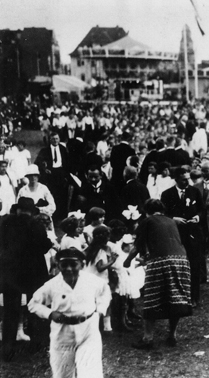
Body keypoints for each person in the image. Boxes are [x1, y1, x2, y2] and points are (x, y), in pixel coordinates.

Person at [27, 248, 112, 378]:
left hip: (88, 329)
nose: (68, 269)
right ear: (58, 265)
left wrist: (100, 311)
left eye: (73, 264)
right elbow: (33, 304)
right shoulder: (52, 284)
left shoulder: (92, 281)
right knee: (62, 374)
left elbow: (105, 292)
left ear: (82, 265)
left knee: (91, 372)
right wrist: (50, 313)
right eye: (64, 264)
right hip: (62, 333)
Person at [124, 199, 192, 349]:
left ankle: (148, 338)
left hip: (161, 261)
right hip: (181, 260)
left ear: (146, 210)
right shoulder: (171, 221)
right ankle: (172, 335)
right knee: (175, 297)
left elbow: (137, 246)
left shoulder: (147, 221)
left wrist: (127, 261)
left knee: (152, 297)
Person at [0, 197, 53, 362]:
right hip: (32, 272)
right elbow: (44, 247)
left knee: (10, 309)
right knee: (34, 305)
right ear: (31, 211)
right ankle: (36, 341)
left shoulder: (5, 222)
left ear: (17, 209)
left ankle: (7, 344)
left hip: (10, 271)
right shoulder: (35, 224)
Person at [161, 167, 204, 305]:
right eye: (184, 179)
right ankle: (176, 295)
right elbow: (163, 214)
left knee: (194, 264)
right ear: (176, 179)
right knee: (176, 264)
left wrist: (197, 217)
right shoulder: (167, 194)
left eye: (188, 179)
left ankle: (194, 296)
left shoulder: (195, 191)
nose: (187, 182)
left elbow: (202, 210)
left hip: (192, 233)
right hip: (176, 234)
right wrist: (174, 219)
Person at [34, 132, 69, 221]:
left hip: (61, 173)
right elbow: (38, 162)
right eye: (53, 139)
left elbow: (68, 162)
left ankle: (62, 215)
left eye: (57, 138)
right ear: (50, 140)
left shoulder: (63, 149)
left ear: (59, 139)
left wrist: (65, 173)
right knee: (51, 194)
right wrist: (44, 168)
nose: (55, 141)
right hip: (50, 175)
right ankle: (52, 215)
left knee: (62, 195)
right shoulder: (45, 150)